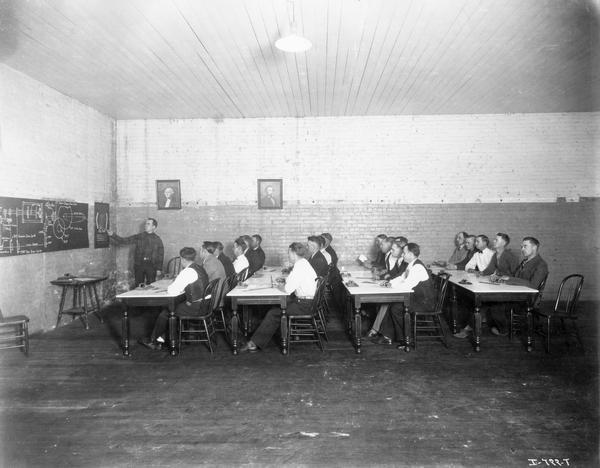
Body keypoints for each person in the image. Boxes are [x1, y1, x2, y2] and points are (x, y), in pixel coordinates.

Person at [240, 242, 318, 352]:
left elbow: (287, 289)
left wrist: (279, 286)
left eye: (289, 253)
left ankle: (254, 343)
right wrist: (284, 282)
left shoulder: (299, 267)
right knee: (275, 308)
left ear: (294, 253)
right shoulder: (303, 263)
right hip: (306, 301)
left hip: (304, 305)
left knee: (273, 313)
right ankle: (260, 336)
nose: (288, 255)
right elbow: (295, 282)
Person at [140, 247, 209, 350]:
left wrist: (174, 284)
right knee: (176, 305)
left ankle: (153, 340)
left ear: (183, 259)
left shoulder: (187, 272)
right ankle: (163, 338)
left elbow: (172, 291)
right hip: (206, 304)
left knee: (166, 312)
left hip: (196, 307)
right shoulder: (199, 267)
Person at [485, 237, 549, 336]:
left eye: (525, 246)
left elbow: (533, 285)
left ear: (535, 247)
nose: (522, 249)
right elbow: (515, 277)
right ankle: (506, 326)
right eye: (521, 247)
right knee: (492, 303)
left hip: (528, 299)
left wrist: (509, 279)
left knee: (495, 306)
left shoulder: (541, 264)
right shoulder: (525, 262)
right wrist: (499, 277)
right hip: (518, 295)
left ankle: (504, 330)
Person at [375, 243, 435, 347]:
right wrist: (389, 283)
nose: (402, 255)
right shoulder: (411, 265)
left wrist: (391, 287)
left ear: (411, 254)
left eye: (404, 253)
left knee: (396, 308)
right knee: (394, 306)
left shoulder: (417, 267)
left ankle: (407, 339)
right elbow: (401, 278)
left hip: (425, 303)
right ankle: (389, 336)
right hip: (417, 299)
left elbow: (407, 286)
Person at [108, 218, 164, 286]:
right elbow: (124, 240)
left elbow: (161, 255)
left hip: (151, 266)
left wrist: (159, 269)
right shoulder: (139, 236)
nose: (146, 225)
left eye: (148, 224)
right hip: (139, 265)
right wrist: (113, 235)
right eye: (146, 224)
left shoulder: (158, 240)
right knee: (139, 286)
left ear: (154, 227)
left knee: (151, 286)